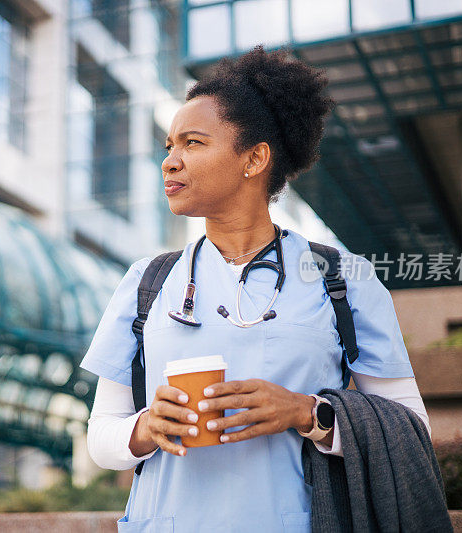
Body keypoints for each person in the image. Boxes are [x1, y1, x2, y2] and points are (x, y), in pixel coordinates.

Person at [79, 45, 431, 532]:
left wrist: (307, 413)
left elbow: (413, 430)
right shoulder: (146, 282)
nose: (170, 162)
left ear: (255, 159)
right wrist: (145, 429)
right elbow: (101, 439)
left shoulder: (341, 278)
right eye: (169, 147)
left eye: (193, 143)